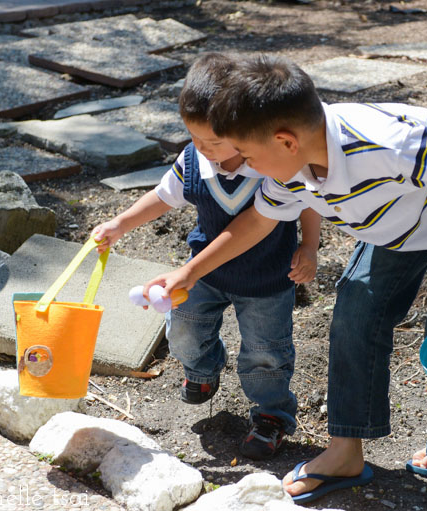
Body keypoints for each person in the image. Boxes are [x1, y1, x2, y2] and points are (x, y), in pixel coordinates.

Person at [145, 54, 427, 503]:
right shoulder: (290, 169)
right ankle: (346, 451)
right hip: (398, 224)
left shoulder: (381, 144)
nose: (243, 165)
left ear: (285, 141)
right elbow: (256, 223)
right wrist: (187, 273)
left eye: (247, 154)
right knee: (354, 315)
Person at [91, 53, 321, 461]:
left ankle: (271, 415)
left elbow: (307, 202)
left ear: (242, 127)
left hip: (267, 278)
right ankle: (201, 369)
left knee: (266, 352)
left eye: (213, 141)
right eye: (194, 138)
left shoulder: (271, 165)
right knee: (184, 330)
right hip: (202, 275)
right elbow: (162, 197)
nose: (202, 148)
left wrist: (309, 246)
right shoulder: (194, 160)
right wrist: (120, 224)